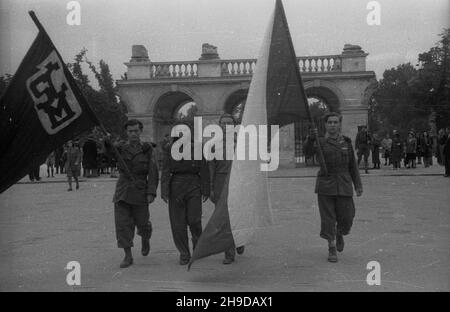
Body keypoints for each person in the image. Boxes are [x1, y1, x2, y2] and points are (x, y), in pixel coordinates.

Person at [104, 119, 159, 268]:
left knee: (143, 223)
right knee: (123, 225)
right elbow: (109, 154)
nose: (133, 134)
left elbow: (153, 172)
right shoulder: (120, 148)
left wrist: (151, 192)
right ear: (126, 133)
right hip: (123, 191)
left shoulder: (147, 149)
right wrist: (107, 142)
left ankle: (145, 238)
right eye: (130, 131)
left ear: (140, 131)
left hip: (140, 190)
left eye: (136, 131)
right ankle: (128, 255)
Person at [313, 112, 363, 263]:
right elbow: (308, 151)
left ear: (339, 124)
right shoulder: (319, 142)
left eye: (335, 122)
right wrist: (311, 138)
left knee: (347, 217)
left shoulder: (346, 142)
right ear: (325, 125)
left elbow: (353, 166)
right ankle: (332, 247)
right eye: (330, 122)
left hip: (344, 183)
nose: (333, 125)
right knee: (328, 219)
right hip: (326, 185)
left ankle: (340, 232)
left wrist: (358, 185)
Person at [161, 120, 210, 265]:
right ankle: (184, 253)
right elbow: (165, 170)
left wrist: (206, 189)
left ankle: (197, 247)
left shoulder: (197, 148)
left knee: (195, 220)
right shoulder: (169, 148)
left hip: (194, 184)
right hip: (176, 185)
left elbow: (204, 169)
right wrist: (164, 190)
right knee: (178, 223)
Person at [208, 113, 245, 265]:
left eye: (229, 123)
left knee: (238, 216)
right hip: (220, 182)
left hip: (238, 183)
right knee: (224, 219)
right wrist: (210, 188)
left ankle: (240, 240)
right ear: (219, 125)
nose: (226, 126)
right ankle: (228, 252)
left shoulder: (242, 143)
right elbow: (211, 168)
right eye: (223, 123)